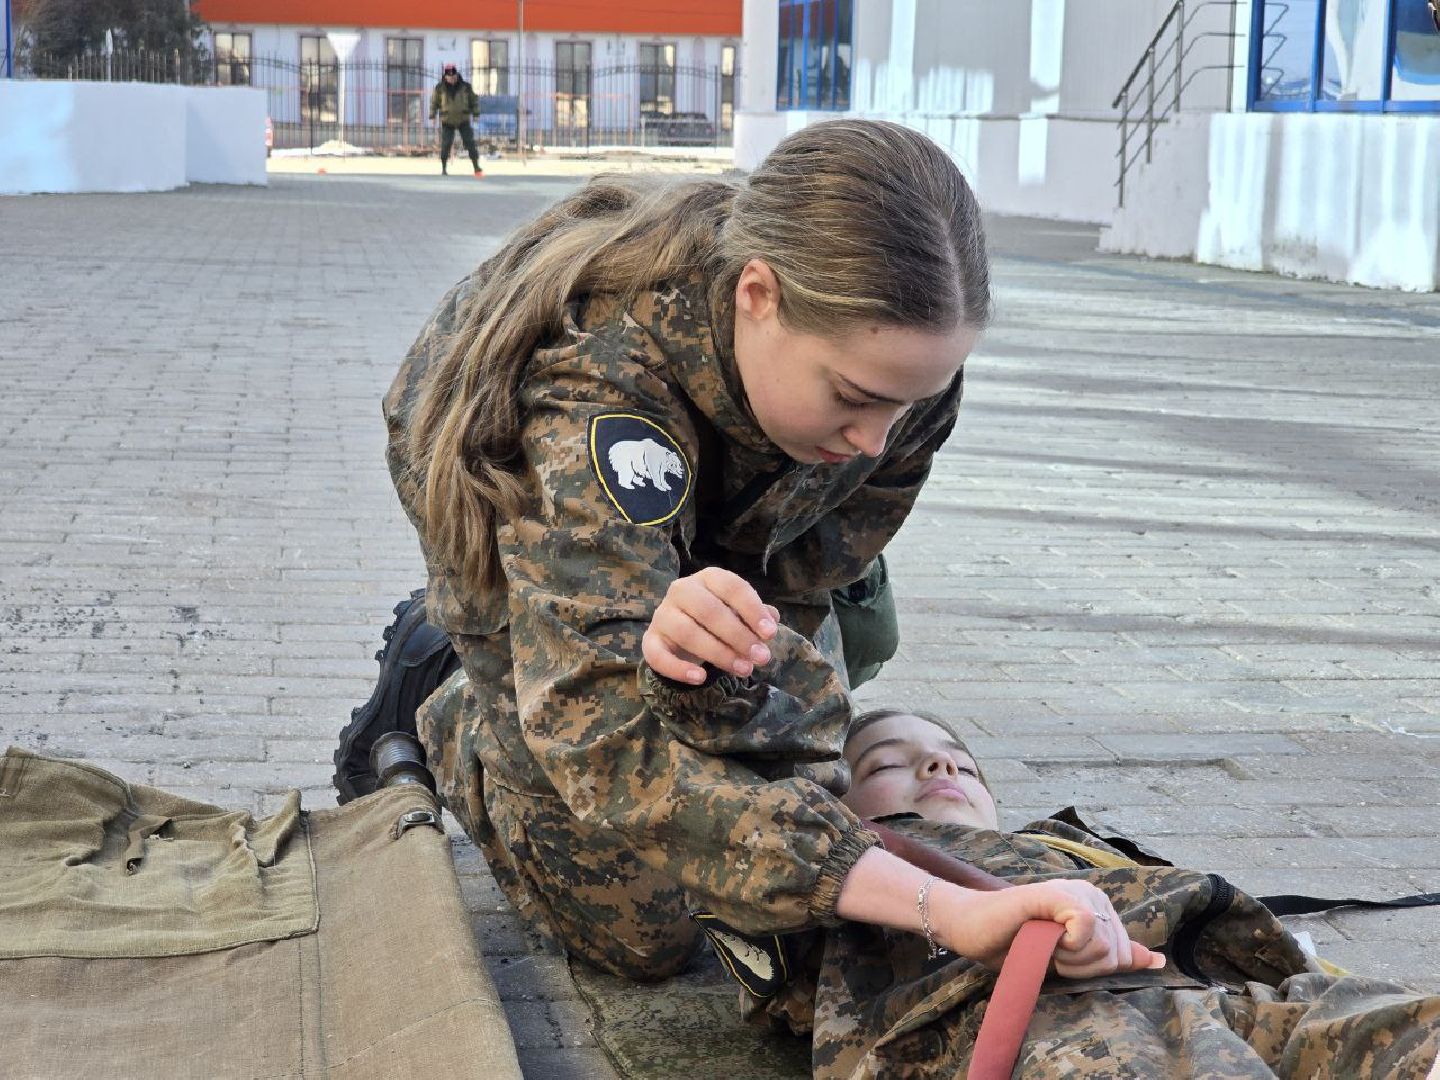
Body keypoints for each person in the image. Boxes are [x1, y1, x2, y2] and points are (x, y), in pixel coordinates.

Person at [334, 119, 1143, 985]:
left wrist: (742, 714)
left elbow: (804, 582)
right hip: (525, 522)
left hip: (736, 502)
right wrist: (939, 906)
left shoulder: (897, 380)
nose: (879, 442)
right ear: (757, 294)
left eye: (909, 406)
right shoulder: (594, 391)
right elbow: (603, 727)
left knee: (778, 808)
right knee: (645, 930)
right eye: (856, 398)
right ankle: (449, 690)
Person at [751, 706, 1440, 1079]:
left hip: (1219, 996)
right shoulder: (861, 870)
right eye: (887, 762)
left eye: (960, 759)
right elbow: (754, 864)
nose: (939, 762)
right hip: (1036, 1022)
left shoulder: (1065, 843)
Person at [430, 62, 483, 178]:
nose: (452, 79)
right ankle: (444, 168)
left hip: (463, 119)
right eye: (449, 77)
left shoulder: (466, 87)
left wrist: (476, 114)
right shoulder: (440, 88)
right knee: (446, 144)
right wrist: (432, 116)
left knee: (470, 143)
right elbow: (434, 103)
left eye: (453, 77)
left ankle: (476, 167)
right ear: (445, 77)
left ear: (457, 75)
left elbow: (474, 101)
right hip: (447, 120)